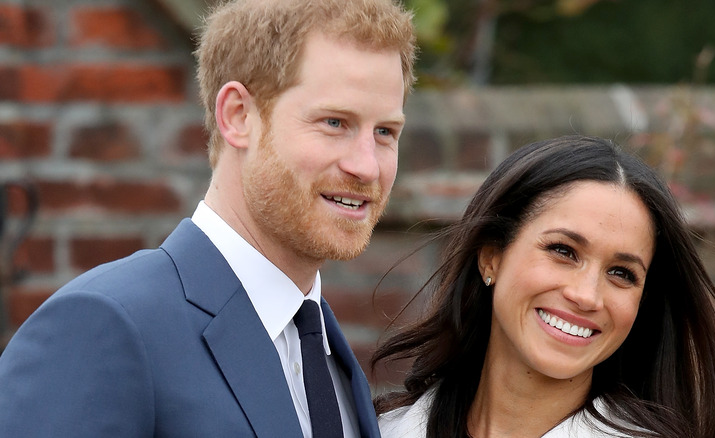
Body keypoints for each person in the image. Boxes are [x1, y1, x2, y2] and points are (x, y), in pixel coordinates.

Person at [0, 0, 416, 437]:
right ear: (238, 115)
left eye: (385, 131)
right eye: (335, 122)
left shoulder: (327, 355)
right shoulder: (103, 325)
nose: (368, 166)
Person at [372, 135, 715, 438]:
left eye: (621, 273)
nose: (586, 295)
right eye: (563, 251)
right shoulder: (376, 429)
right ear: (491, 257)